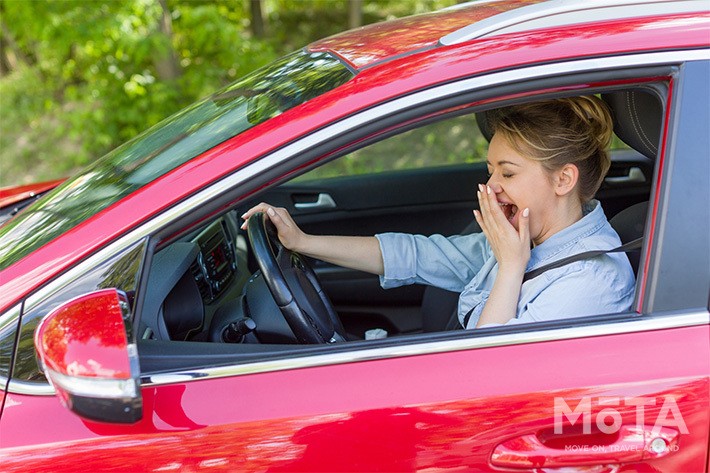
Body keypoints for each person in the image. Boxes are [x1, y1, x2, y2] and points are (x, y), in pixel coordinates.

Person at [241, 96, 636, 329]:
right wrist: (303, 242)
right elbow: (415, 255)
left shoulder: (592, 279)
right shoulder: (524, 238)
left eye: (508, 172)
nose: (491, 185)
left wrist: (512, 268)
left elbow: (494, 376)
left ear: (563, 179)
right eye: (490, 170)